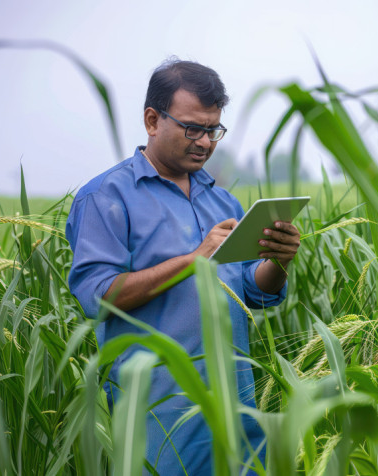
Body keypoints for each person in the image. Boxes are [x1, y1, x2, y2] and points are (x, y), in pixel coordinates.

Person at [65, 59, 300, 474]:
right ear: (153, 121)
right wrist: (192, 261)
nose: (206, 142)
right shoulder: (106, 197)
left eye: (214, 130)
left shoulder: (222, 201)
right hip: (159, 412)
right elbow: (100, 295)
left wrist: (277, 261)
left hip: (236, 403)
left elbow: (253, 292)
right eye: (193, 128)